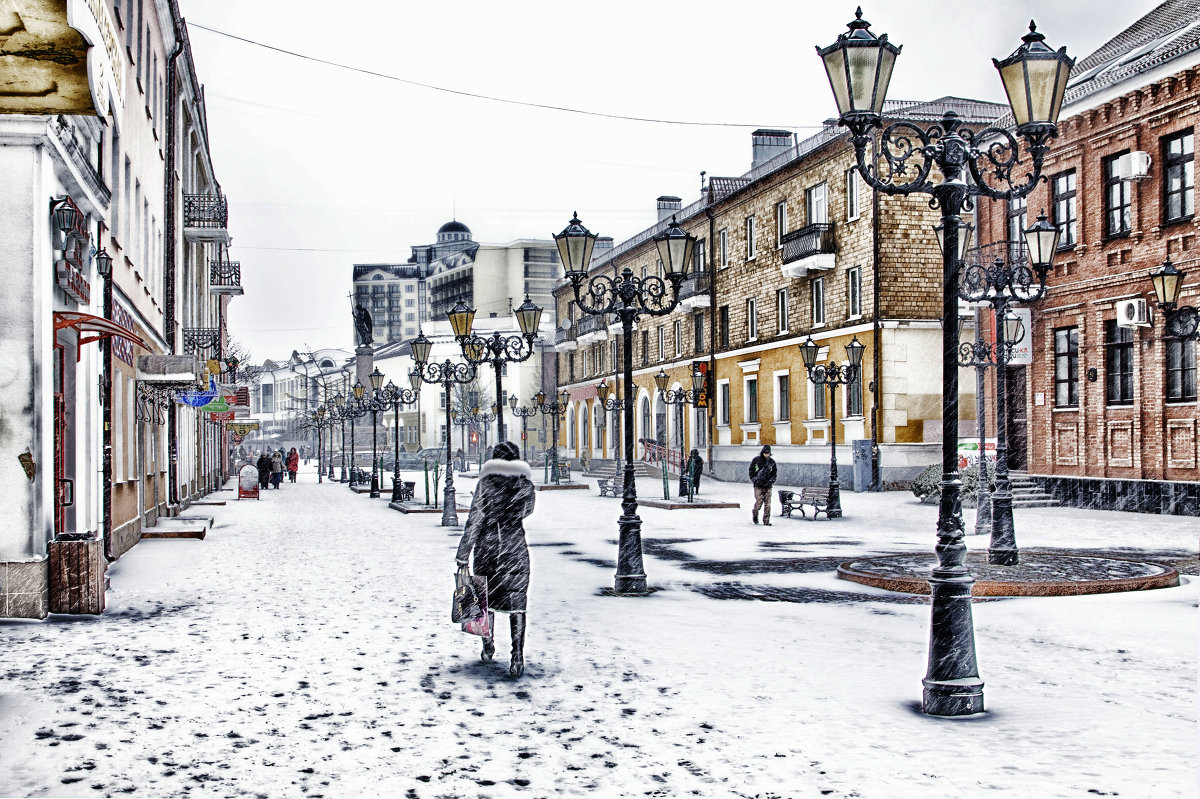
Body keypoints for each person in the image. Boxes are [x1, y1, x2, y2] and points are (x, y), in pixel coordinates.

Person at [455, 441, 536, 677]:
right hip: (515, 550)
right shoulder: (525, 486)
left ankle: (488, 645)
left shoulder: (485, 485)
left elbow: (475, 520)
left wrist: (463, 554)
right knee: (517, 605)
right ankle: (517, 656)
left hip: (488, 549)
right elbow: (527, 511)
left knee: (485, 599)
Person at [749, 445, 777, 525]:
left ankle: (766, 521)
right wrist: (755, 480)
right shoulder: (756, 460)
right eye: (765, 453)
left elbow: (774, 474)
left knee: (767, 504)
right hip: (758, 485)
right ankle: (755, 512)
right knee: (759, 501)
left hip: (768, 486)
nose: (766, 454)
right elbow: (751, 471)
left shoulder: (772, 462)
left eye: (768, 453)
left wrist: (771, 481)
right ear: (762, 452)